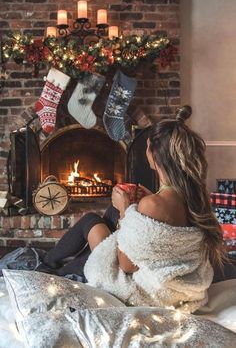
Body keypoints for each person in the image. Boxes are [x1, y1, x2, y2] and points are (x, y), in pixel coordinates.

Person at [41, 105, 226, 312]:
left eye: (147, 147)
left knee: (91, 220)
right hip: (171, 283)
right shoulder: (195, 199)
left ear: (155, 156)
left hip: (141, 289)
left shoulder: (152, 205)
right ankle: (54, 264)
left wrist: (126, 211)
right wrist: (137, 206)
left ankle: (50, 268)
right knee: (106, 215)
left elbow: (127, 265)